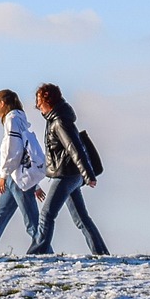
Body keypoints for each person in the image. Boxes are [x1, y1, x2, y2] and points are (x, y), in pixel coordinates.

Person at [27, 82, 109, 255]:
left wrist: (88, 175)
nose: (38, 107)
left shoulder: (59, 121)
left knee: (47, 215)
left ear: (49, 101)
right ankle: (101, 254)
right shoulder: (56, 118)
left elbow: (75, 148)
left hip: (66, 174)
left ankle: (36, 254)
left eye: (39, 103)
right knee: (81, 218)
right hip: (70, 173)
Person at [0, 89, 46, 255]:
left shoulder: (12, 120)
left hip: (16, 179)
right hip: (18, 179)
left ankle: (46, 252)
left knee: (32, 224)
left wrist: (3, 175)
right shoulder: (19, 119)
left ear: (2, 103)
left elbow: (14, 151)